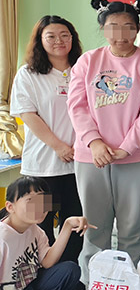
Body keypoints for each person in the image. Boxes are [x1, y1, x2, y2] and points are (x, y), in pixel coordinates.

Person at [68, 0, 140, 290]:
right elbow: (77, 106)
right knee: (94, 229)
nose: (121, 34)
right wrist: (95, 142)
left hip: (136, 158)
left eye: (128, 27)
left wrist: (127, 147)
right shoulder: (88, 61)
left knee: (132, 229)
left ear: (137, 29)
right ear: (103, 29)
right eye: (113, 27)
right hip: (91, 158)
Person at [10, 16, 84, 266]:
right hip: (43, 165)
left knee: (74, 222)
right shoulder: (28, 74)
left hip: (79, 164)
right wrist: (58, 146)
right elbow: (27, 114)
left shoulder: (83, 69)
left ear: (72, 38)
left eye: (64, 35)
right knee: (40, 224)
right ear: (40, 40)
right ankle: (41, 275)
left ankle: (69, 273)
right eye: (50, 36)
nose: (58, 41)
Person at [0, 177, 93, 290]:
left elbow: (47, 262)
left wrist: (67, 226)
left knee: (69, 270)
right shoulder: (2, 238)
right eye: (30, 200)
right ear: (10, 207)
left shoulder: (34, 229)